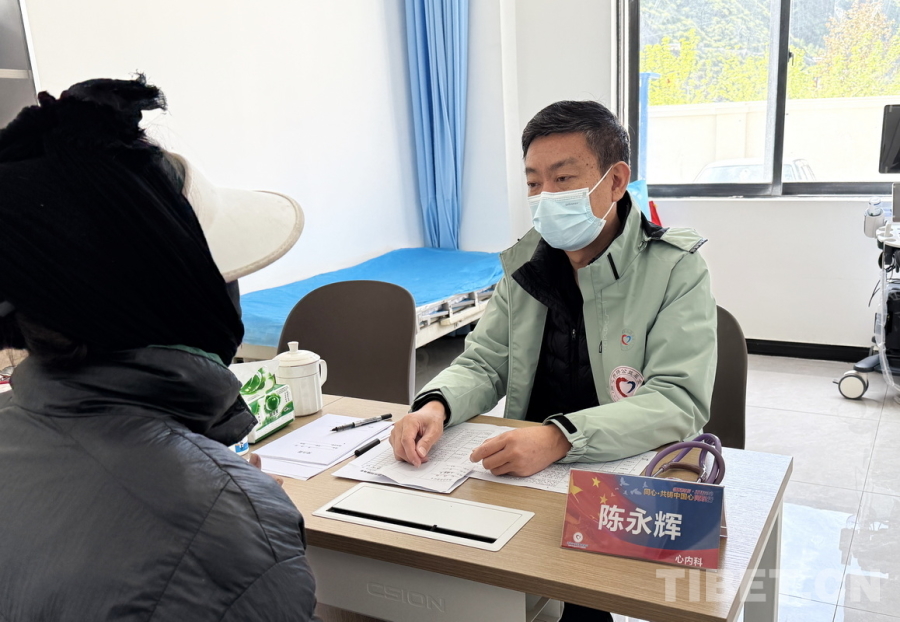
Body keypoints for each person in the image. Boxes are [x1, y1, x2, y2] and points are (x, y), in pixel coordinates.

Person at [0, 77, 319, 621]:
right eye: (230, 275)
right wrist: (234, 514)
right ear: (186, 297)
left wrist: (217, 489)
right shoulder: (232, 537)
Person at [390, 100, 717, 622]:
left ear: (616, 181)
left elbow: (677, 400)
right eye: (533, 183)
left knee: (588, 600)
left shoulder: (675, 268)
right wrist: (435, 406)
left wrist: (560, 437)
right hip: (527, 473)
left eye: (563, 179)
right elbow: (485, 361)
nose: (545, 198)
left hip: (617, 469)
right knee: (445, 573)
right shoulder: (525, 267)